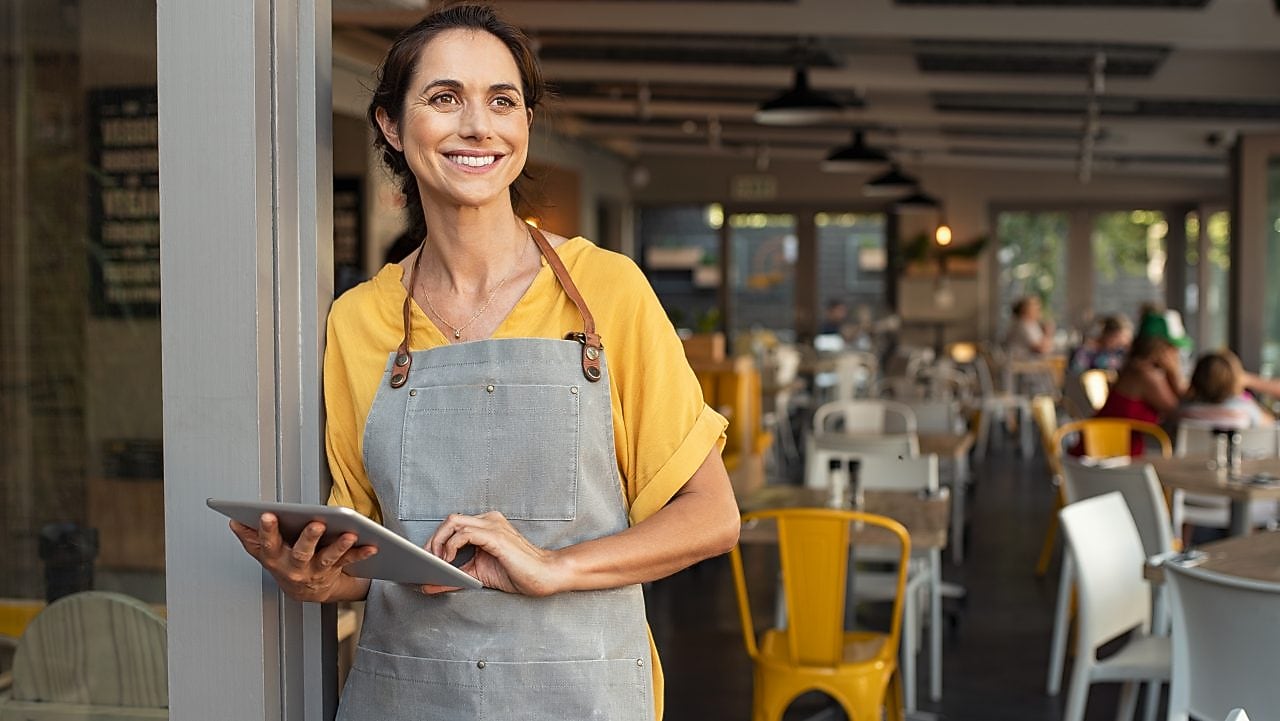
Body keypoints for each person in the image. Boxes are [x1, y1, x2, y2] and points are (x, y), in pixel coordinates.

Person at [227, 6, 740, 719]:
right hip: (409, 695)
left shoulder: (608, 291)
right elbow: (371, 553)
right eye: (444, 98)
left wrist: (554, 566)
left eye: (503, 101)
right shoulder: (358, 321)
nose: (478, 126)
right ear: (391, 126)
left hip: (581, 697)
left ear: (525, 125)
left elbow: (712, 515)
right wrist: (317, 579)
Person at [1094, 333, 1186, 455]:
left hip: (1110, 448)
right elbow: (1176, 411)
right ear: (1162, 350)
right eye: (1174, 350)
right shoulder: (1145, 374)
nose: (1177, 356)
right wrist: (1174, 373)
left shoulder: (1134, 368)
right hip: (1108, 453)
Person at [1179, 349, 1274, 429]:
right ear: (1235, 381)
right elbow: (1271, 425)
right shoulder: (1245, 409)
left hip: (1197, 451)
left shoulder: (1185, 410)